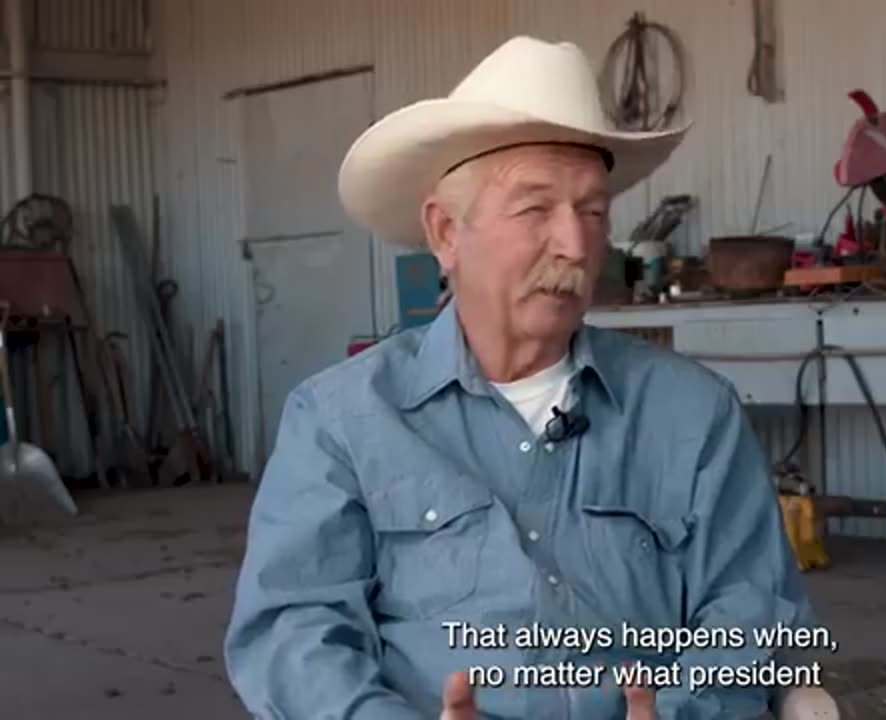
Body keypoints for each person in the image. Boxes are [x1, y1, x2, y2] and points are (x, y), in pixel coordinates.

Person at [224, 35, 819, 719]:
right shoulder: (341, 420)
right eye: (535, 209)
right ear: (446, 233)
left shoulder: (693, 414)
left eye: (593, 212)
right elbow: (292, 631)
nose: (575, 244)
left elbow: (754, 608)